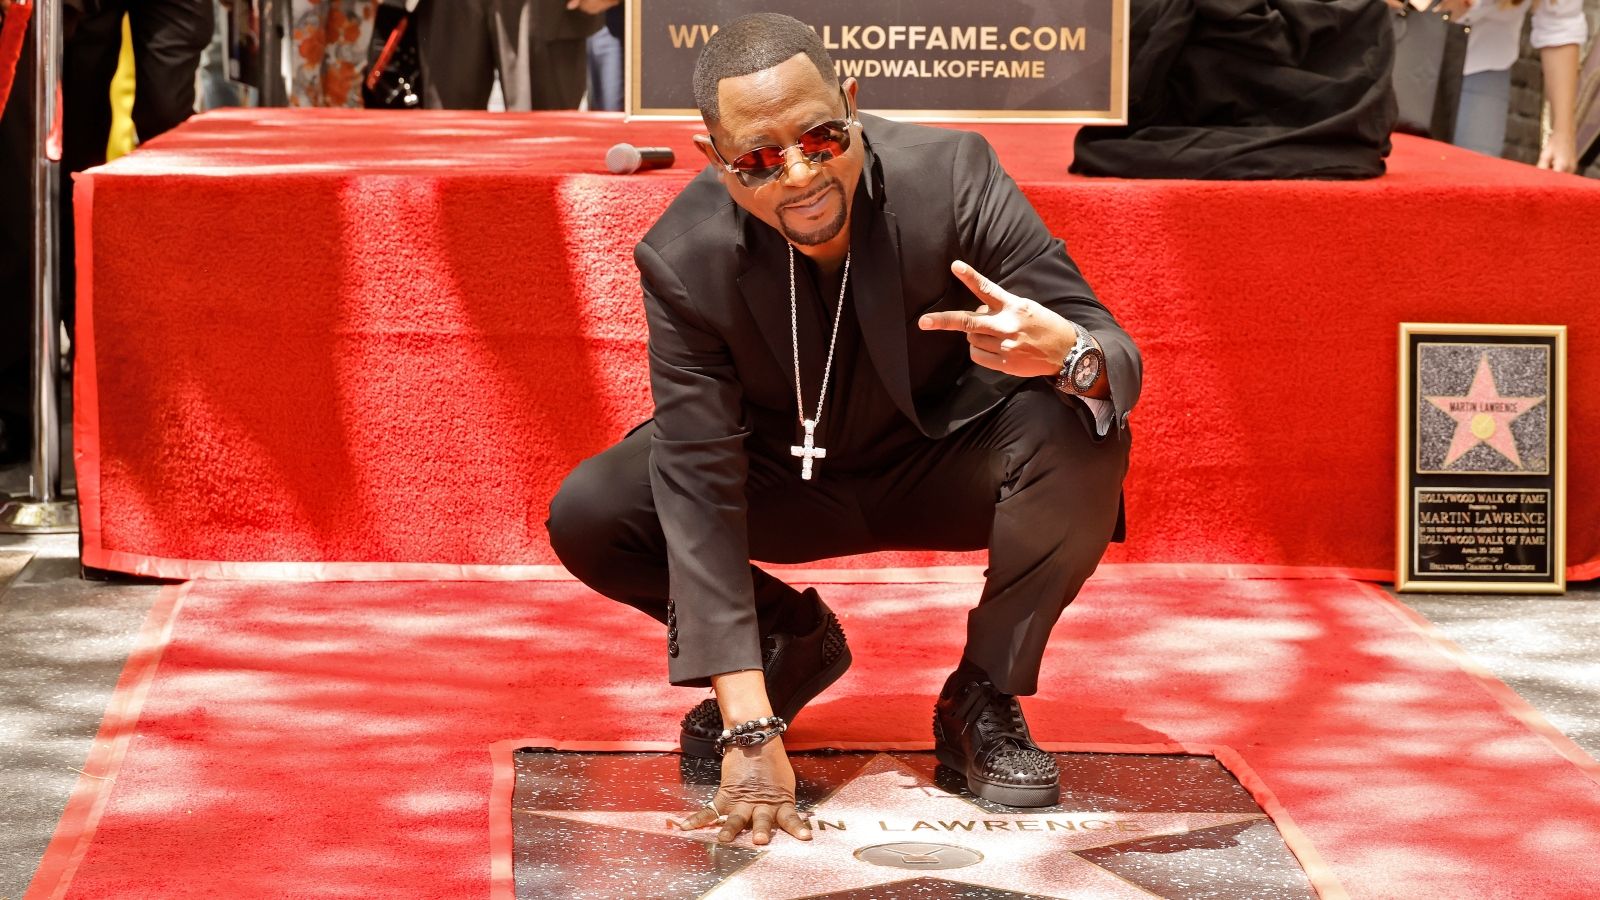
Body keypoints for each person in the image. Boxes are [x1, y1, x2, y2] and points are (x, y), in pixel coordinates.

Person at [546, 13, 1140, 844]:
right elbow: (698, 477)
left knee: (1084, 425)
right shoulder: (685, 257)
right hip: (781, 481)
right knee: (595, 510)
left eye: (821, 136)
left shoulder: (952, 175)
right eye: (758, 158)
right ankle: (791, 642)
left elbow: (1113, 351)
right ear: (715, 159)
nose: (798, 176)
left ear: (852, 103)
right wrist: (748, 722)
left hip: (941, 463)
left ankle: (983, 695)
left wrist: (1069, 352)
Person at [1387, 0, 1586, 170]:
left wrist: (1563, 134)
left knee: (1473, 179)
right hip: (1397, 52)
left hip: (1483, 64)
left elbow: (1560, 24)